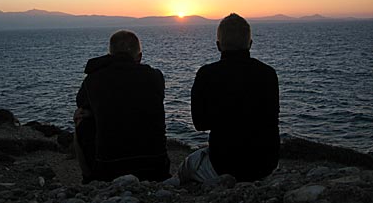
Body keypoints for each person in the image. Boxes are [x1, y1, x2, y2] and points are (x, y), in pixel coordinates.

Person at [178, 13, 280, 183]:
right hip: (265, 164)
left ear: (218, 46)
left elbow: (199, 124)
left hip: (224, 165)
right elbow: (271, 118)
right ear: (250, 44)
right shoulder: (268, 73)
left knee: (188, 165)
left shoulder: (206, 74)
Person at [74, 30, 171, 183]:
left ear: (110, 55)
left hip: (109, 169)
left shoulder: (92, 80)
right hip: (156, 166)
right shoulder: (155, 76)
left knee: (80, 116)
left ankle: (89, 179)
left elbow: (81, 103)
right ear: (139, 57)